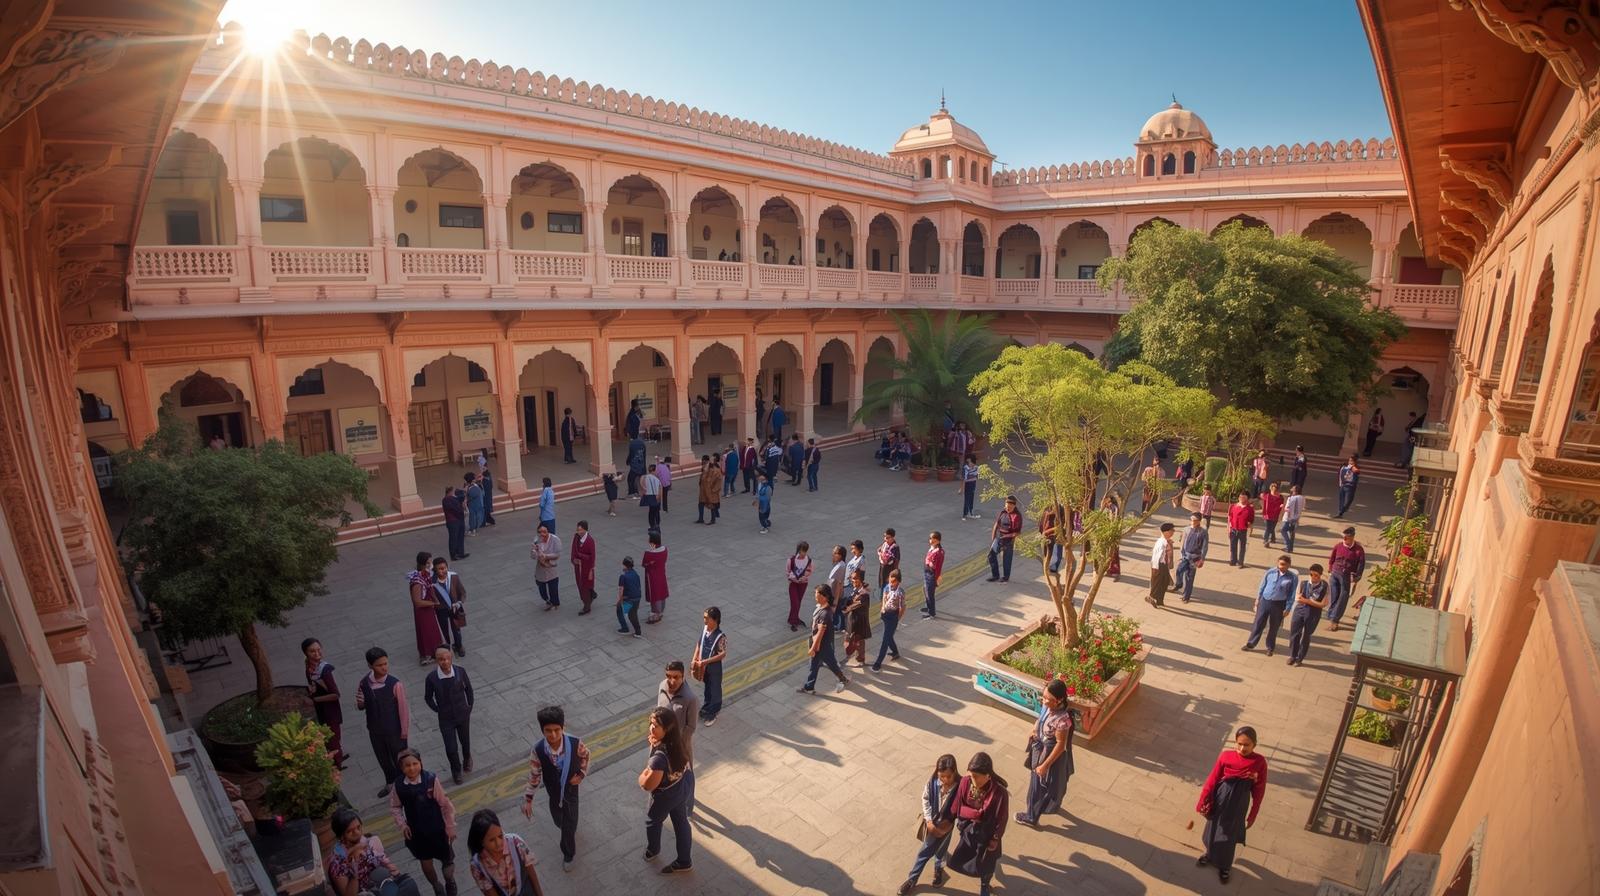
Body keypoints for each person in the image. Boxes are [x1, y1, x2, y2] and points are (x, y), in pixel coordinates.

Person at [1195, 726, 1269, 884]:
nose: (1243, 748)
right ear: (1235, 742)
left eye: (1247, 744)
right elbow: (1213, 779)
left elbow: (1259, 790)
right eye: (1240, 744)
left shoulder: (1259, 762)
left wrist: (1253, 814)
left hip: (1238, 804)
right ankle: (1209, 854)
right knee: (1213, 828)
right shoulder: (1226, 756)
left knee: (1229, 835)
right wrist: (1203, 800)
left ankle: (1224, 866)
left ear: (1254, 744)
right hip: (1220, 798)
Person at [521, 706, 588, 873]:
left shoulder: (575, 743)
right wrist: (528, 799)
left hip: (571, 792)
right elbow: (535, 775)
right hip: (554, 793)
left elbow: (586, 755)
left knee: (567, 825)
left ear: (563, 728)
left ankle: (568, 853)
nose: (553, 735)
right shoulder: (538, 750)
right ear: (542, 730)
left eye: (557, 730)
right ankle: (569, 827)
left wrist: (580, 774)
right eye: (548, 731)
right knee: (559, 820)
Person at [388, 747, 458, 896]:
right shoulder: (399, 786)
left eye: (415, 763)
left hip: (438, 829)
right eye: (407, 765)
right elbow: (395, 807)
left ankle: (449, 880)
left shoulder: (431, 780)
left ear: (420, 763)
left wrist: (450, 827)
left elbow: (445, 804)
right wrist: (402, 824)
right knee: (426, 863)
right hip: (418, 833)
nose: (412, 768)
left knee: (447, 860)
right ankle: (436, 887)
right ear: (401, 768)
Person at [940, 753, 1009, 896]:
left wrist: (995, 838)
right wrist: (947, 822)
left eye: (976, 776)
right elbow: (958, 806)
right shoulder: (965, 782)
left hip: (988, 835)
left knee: (988, 863)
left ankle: (985, 883)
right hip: (969, 831)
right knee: (965, 858)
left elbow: (1002, 819)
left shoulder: (1000, 793)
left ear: (987, 775)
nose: (972, 779)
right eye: (971, 775)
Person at [640, 707, 694, 874]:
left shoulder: (659, 759)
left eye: (656, 725)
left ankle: (653, 850)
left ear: (667, 729)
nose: (651, 728)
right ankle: (685, 861)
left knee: (653, 821)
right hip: (683, 784)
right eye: (651, 723)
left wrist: (644, 773)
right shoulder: (677, 741)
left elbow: (647, 785)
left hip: (667, 794)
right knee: (681, 821)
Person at [897, 754, 960, 895]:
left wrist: (949, 825)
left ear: (955, 772)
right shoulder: (933, 782)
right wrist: (929, 820)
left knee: (942, 848)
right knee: (924, 852)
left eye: (948, 776)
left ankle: (938, 868)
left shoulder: (960, 786)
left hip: (947, 826)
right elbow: (925, 798)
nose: (945, 780)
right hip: (933, 825)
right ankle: (912, 879)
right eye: (941, 776)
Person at [1016, 679, 1075, 827]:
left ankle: (1031, 816)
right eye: (1044, 697)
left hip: (1048, 754)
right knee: (1038, 782)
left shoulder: (1062, 720)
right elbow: (1040, 717)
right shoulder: (1047, 705)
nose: (1044, 701)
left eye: (1048, 699)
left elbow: (1060, 746)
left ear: (1059, 700)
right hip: (1040, 747)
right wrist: (1035, 729)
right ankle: (1045, 805)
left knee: (1037, 786)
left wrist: (1045, 766)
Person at [328, 807, 423, 896]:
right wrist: (354, 866)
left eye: (358, 827)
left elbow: (384, 865)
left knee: (409, 885)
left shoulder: (369, 842)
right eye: (350, 831)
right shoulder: (337, 862)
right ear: (341, 836)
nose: (357, 833)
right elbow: (348, 894)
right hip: (364, 893)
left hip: (382, 886)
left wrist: (391, 869)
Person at [357, 647, 411, 798]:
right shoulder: (364, 683)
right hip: (375, 729)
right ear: (370, 666)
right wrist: (362, 700)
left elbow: (403, 709)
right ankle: (390, 783)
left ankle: (404, 785)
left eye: (386, 663)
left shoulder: (395, 684)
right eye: (379, 665)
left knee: (399, 758)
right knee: (382, 758)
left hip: (394, 730)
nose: (384, 667)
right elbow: (360, 704)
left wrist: (404, 731)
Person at [424, 646, 475, 785]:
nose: (445, 662)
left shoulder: (460, 672)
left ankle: (467, 758)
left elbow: (469, 690)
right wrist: (438, 709)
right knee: (451, 748)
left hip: (462, 714)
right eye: (441, 659)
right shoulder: (432, 678)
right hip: (446, 719)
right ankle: (456, 771)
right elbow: (428, 697)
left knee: (465, 741)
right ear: (436, 661)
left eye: (447, 658)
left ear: (451, 658)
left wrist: (469, 706)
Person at [468, 808, 547, 895]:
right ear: (481, 841)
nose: (498, 843)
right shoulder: (477, 866)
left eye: (500, 835)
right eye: (491, 840)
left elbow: (531, 872)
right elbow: (490, 893)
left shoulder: (516, 842)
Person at [302, 637, 346, 768]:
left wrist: (315, 700)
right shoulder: (309, 668)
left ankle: (337, 764)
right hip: (321, 710)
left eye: (318, 650)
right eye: (312, 651)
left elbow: (336, 695)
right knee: (328, 738)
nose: (316, 654)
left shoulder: (325, 670)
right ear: (306, 653)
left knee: (332, 739)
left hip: (330, 711)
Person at [799, 584, 849, 693]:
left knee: (821, 664)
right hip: (821, 644)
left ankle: (810, 687)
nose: (815, 595)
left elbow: (821, 632)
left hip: (822, 644)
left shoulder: (825, 613)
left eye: (817, 593)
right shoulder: (821, 608)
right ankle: (810, 687)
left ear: (824, 596)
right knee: (820, 664)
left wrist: (813, 647)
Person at [1244, 555, 1297, 656]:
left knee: (1274, 627)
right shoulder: (1270, 572)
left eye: (1283, 565)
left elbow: (1292, 594)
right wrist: (1258, 599)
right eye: (1280, 564)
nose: (1281, 566)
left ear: (1288, 565)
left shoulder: (1292, 577)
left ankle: (1270, 647)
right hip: (1265, 600)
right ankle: (1251, 643)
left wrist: (1288, 608)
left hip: (1278, 604)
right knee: (1258, 623)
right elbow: (1262, 585)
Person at [658, 661, 700, 768]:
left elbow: (691, 727)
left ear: (683, 676)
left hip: (679, 745)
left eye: (676, 677)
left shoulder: (690, 699)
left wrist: (677, 741)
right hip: (660, 740)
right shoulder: (662, 686)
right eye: (669, 676)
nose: (672, 681)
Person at [1287, 563, 1330, 666]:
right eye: (1311, 574)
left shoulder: (1324, 586)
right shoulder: (1303, 583)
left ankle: (1300, 658)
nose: (1313, 577)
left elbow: (1323, 604)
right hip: (1300, 610)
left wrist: (1307, 601)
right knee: (1295, 633)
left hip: (1313, 613)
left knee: (1306, 636)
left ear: (1320, 575)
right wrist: (1309, 601)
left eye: (1316, 575)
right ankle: (1292, 655)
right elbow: (1298, 598)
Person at [1327, 526, 1367, 632]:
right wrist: (1330, 570)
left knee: (1343, 597)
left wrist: (1357, 576)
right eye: (1343, 537)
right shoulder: (1338, 546)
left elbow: (1361, 564)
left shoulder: (1358, 550)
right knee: (1334, 596)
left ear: (1352, 537)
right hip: (1335, 574)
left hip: (1346, 576)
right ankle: (1331, 615)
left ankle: (1335, 620)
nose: (1344, 539)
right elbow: (1332, 559)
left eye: (1347, 538)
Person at [691, 607, 727, 726]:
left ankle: (713, 713)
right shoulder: (705, 629)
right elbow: (699, 643)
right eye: (704, 618)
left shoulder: (720, 637)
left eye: (707, 618)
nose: (704, 621)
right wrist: (694, 658)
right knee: (707, 688)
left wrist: (706, 661)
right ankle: (707, 707)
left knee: (715, 689)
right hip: (704, 667)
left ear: (715, 620)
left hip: (714, 669)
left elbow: (722, 654)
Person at [409, 552, 446, 665]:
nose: (431, 565)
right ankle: (426, 655)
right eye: (429, 562)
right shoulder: (417, 581)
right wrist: (432, 603)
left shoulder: (425, 575)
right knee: (426, 632)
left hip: (429, 608)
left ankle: (435, 650)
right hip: (423, 611)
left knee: (433, 630)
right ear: (424, 564)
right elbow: (417, 601)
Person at [431, 556, 466, 657]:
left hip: (455, 608)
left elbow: (462, 592)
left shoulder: (454, 576)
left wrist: (459, 602)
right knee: (444, 629)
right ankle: (447, 648)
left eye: (445, 568)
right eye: (440, 569)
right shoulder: (433, 582)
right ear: (435, 570)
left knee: (456, 628)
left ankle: (459, 646)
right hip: (441, 610)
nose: (443, 571)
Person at [872, 568, 906, 671]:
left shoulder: (900, 592)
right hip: (885, 614)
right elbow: (884, 597)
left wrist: (897, 619)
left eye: (893, 582)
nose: (891, 583)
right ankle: (895, 652)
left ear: (898, 581)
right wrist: (882, 607)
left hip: (893, 617)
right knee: (889, 636)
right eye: (890, 581)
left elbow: (902, 607)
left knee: (885, 640)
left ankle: (878, 662)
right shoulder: (887, 587)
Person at [1173, 512, 1208, 604]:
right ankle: (1178, 584)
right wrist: (1181, 554)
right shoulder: (1186, 529)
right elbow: (1181, 541)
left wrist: (1202, 559)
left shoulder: (1203, 532)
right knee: (1179, 570)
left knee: (1189, 577)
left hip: (1195, 558)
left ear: (1199, 521)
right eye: (1191, 520)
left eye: (1195, 520)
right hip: (1185, 556)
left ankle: (1186, 596)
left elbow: (1205, 546)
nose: (1192, 522)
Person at [843, 566, 873, 667]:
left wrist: (847, 608)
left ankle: (860, 660)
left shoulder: (864, 594)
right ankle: (854, 655)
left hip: (859, 622)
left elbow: (857, 604)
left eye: (855, 578)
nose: (853, 580)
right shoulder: (855, 589)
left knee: (859, 642)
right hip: (852, 620)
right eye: (852, 578)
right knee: (851, 640)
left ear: (861, 579)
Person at [987, 496, 1021, 583]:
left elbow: (1017, 532)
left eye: (1010, 507)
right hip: (999, 537)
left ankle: (1005, 577)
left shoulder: (1017, 516)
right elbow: (996, 524)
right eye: (1006, 506)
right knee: (991, 555)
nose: (1007, 508)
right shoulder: (1002, 512)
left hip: (1008, 540)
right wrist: (993, 538)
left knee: (1007, 559)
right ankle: (995, 575)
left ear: (1014, 506)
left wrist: (1007, 536)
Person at [530, 523, 562, 611]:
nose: (542, 534)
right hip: (540, 569)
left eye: (544, 532)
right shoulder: (536, 540)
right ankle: (547, 601)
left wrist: (546, 556)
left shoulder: (555, 539)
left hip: (551, 567)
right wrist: (534, 550)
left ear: (548, 531)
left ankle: (555, 603)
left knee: (553, 587)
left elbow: (557, 554)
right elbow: (533, 557)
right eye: (540, 532)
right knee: (542, 588)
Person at [785, 541, 813, 632]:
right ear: (798, 550)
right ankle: (793, 621)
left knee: (798, 602)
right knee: (795, 602)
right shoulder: (791, 560)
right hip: (793, 583)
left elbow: (809, 570)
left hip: (803, 583)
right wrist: (792, 578)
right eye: (802, 551)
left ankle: (794, 618)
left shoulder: (808, 560)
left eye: (805, 551)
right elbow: (788, 571)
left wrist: (804, 577)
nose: (803, 553)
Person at [642, 530, 669, 623]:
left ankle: (655, 614)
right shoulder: (665, 549)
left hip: (652, 577)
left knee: (654, 594)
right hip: (661, 574)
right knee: (661, 592)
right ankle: (661, 611)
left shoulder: (649, 553)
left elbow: (644, 564)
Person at [1146, 522, 1175, 609]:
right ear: (1166, 532)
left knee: (1165, 582)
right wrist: (1155, 567)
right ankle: (1151, 597)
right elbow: (1157, 556)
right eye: (1172, 530)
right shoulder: (1161, 542)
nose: (1173, 532)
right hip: (1158, 565)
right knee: (1157, 582)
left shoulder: (1166, 541)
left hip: (1163, 565)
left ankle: (1159, 600)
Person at [570, 521, 596, 614]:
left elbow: (592, 557)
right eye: (578, 529)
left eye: (580, 530)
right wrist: (573, 559)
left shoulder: (590, 541)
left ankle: (587, 606)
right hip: (578, 566)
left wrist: (591, 569)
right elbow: (573, 549)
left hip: (586, 567)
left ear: (585, 530)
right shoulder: (576, 537)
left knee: (585, 585)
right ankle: (591, 594)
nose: (579, 532)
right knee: (580, 584)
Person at [616, 556, 642, 637]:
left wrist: (619, 600)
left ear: (625, 565)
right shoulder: (635, 573)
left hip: (629, 598)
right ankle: (638, 631)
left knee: (619, 609)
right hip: (637, 596)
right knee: (633, 614)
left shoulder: (623, 576)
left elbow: (621, 590)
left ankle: (625, 628)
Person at [922, 530, 945, 619]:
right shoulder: (932, 549)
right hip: (927, 573)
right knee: (926, 591)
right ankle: (929, 608)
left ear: (938, 541)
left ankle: (931, 612)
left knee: (929, 594)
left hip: (931, 575)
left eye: (933, 540)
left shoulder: (938, 552)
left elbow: (935, 567)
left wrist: (936, 579)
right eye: (930, 538)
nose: (931, 541)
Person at [1227, 492, 1254, 567]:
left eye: (1243, 497)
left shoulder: (1249, 508)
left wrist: (1249, 526)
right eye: (1240, 497)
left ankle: (1240, 562)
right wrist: (1228, 528)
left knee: (1242, 547)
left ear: (1247, 498)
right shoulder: (1233, 506)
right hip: (1233, 529)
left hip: (1243, 530)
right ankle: (1233, 560)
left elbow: (1251, 519)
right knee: (1233, 546)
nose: (1241, 499)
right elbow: (1230, 517)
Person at [826, 545, 849, 631]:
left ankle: (838, 626)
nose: (833, 554)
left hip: (836, 593)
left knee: (837, 610)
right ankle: (841, 626)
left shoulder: (841, 566)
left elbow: (839, 583)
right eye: (833, 552)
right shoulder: (839, 565)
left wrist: (836, 598)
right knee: (838, 610)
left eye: (835, 553)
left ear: (841, 555)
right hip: (833, 592)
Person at [442, 486, 468, 561]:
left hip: (459, 520)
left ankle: (460, 553)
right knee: (453, 538)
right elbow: (454, 509)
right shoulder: (446, 500)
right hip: (453, 521)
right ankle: (453, 555)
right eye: (453, 492)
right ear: (449, 492)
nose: (454, 493)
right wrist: (462, 511)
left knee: (460, 537)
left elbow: (461, 498)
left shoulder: (453, 498)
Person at [696, 455, 721, 524]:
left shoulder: (716, 470)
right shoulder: (705, 468)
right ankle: (701, 518)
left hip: (711, 492)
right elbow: (702, 478)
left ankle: (713, 520)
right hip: (703, 491)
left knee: (712, 505)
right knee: (700, 504)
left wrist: (714, 490)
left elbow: (718, 482)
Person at [1282, 485, 1306, 553]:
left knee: (1283, 531)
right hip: (1296, 518)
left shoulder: (1291, 498)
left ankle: (1288, 545)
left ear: (1295, 491)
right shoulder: (1302, 498)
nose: (1291, 489)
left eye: (1292, 488)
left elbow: (1287, 508)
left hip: (1288, 518)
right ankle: (1290, 548)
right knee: (1292, 534)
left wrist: (1283, 508)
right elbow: (1303, 507)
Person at [639, 463, 662, 531]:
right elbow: (659, 489)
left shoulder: (645, 477)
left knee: (651, 512)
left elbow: (642, 484)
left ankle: (652, 526)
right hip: (655, 497)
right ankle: (657, 525)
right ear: (654, 471)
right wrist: (659, 497)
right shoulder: (656, 479)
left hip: (649, 496)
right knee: (657, 512)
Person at [877, 528, 902, 594]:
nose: (885, 539)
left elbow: (886, 560)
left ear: (893, 537)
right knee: (882, 585)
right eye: (884, 537)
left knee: (886, 589)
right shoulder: (885, 544)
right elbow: (879, 550)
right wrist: (881, 554)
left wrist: (881, 555)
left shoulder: (894, 547)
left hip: (889, 571)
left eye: (887, 537)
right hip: (883, 569)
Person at [1261, 482, 1285, 547]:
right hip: (1267, 515)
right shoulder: (1267, 496)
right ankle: (1266, 540)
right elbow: (1263, 505)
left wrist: (1281, 513)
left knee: (1271, 528)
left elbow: (1281, 506)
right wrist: (1263, 514)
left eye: (1275, 490)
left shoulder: (1280, 498)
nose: (1274, 491)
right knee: (1268, 528)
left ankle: (1273, 539)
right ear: (1270, 489)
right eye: (1273, 490)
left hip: (1275, 516)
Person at [464, 473, 485, 538]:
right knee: (473, 518)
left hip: (475, 505)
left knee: (473, 518)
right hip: (475, 505)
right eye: (474, 477)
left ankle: (473, 530)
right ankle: (472, 529)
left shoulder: (471, 486)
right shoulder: (472, 488)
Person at [960, 453, 980, 519]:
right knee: (967, 499)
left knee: (971, 498)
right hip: (968, 484)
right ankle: (965, 514)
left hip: (973, 484)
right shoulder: (965, 467)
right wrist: (962, 488)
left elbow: (977, 476)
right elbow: (964, 479)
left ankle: (970, 512)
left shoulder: (976, 467)